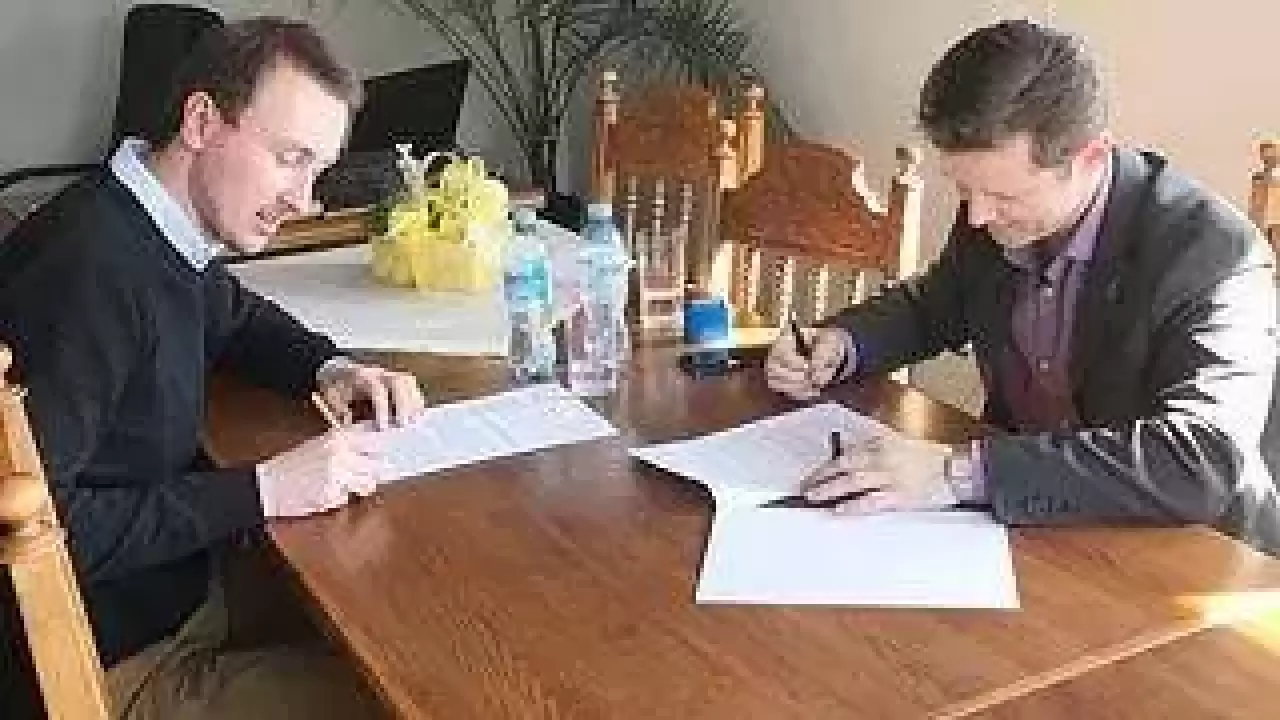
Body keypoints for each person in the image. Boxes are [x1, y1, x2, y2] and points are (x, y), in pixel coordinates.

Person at [0, 17, 424, 719]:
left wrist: (331, 367)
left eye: (316, 169)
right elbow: (40, 525)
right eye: (289, 158)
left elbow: (232, 314)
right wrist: (263, 489)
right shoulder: (88, 273)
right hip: (114, 663)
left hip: (179, 596)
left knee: (395, 626)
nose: (304, 199)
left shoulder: (151, 223)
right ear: (201, 121)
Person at [766, 19, 1280, 554]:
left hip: (1189, 551)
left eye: (1004, 196)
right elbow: (936, 305)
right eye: (964, 189)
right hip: (1031, 528)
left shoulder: (1213, 251)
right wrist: (844, 343)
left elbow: (1203, 457)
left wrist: (959, 473)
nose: (977, 216)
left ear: (1090, 159)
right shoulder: (989, 210)